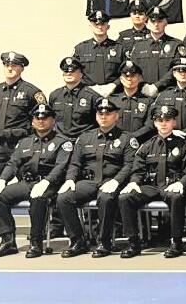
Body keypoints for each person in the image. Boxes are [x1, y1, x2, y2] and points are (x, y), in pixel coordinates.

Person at [56, 97, 137, 258]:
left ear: (116, 116)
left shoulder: (126, 139)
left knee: (106, 199)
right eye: (100, 113)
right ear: (96, 116)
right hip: (89, 181)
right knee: (63, 198)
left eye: (108, 113)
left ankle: (104, 242)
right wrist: (70, 180)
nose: (104, 116)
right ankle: (78, 241)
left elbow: (130, 165)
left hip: (111, 181)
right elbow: (75, 164)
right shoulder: (85, 138)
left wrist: (116, 181)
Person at [0, 104, 70, 258]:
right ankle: (8, 240)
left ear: (53, 121)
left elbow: (61, 167)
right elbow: (13, 163)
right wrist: (2, 181)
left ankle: (36, 242)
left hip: (50, 184)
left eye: (45, 117)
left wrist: (47, 182)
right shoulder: (24, 142)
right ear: (32, 121)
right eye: (37, 118)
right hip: (27, 183)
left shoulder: (63, 142)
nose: (41, 120)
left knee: (38, 198)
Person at [117, 105, 186, 258]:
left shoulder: (184, 145)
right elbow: (138, 170)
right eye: (159, 120)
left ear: (174, 122)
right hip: (151, 186)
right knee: (125, 197)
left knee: (177, 197)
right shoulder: (146, 146)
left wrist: (181, 183)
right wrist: (133, 182)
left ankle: (176, 242)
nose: (163, 123)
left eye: (167, 120)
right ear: (154, 123)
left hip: (172, 185)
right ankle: (133, 243)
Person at [125, 6, 181, 89]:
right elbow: (134, 69)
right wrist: (144, 86)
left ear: (165, 23)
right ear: (146, 24)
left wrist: (156, 86)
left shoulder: (175, 45)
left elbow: (176, 70)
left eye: (160, 21)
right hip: (143, 92)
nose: (156, 24)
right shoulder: (138, 46)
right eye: (152, 21)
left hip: (168, 92)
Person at [48, 56, 101, 140]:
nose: (69, 73)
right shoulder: (55, 95)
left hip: (83, 141)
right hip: (59, 141)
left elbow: (101, 121)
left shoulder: (92, 96)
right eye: (66, 71)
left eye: (72, 71)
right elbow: (50, 120)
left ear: (81, 74)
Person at [72, 10, 123, 88]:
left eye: (102, 24)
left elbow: (126, 72)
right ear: (90, 27)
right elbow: (74, 72)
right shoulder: (80, 49)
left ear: (108, 27)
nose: (100, 27)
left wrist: (113, 85)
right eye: (96, 24)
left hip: (113, 94)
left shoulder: (119, 48)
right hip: (87, 93)